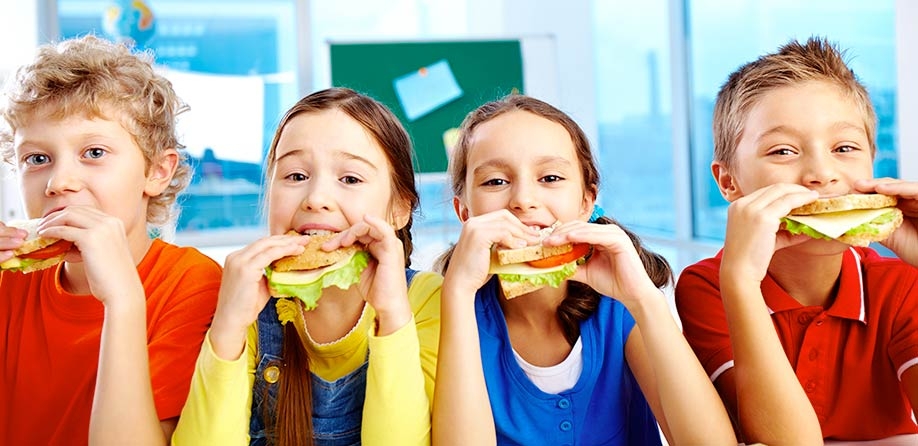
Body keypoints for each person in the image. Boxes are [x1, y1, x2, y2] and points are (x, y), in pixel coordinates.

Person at [432, 94, 735, 445]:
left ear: (586, 202)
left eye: (550, 178)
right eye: (496, 182)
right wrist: (456, 294)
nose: (523, 200)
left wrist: (643, 300)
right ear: (465, 212)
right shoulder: (446, 314)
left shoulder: (618, 308)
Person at [675, 36, 918, 444]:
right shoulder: (713, 286)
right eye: (783, 151)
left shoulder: (900, 283)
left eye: (844, 147)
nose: (821, 173)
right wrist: (740, 282)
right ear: (728, 182)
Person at [172, 87, 441, 446]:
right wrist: (227, 328)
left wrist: (392, 315)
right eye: (296, 176)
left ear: (399, 210)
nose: (315, 199)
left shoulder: (427, 301)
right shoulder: (246, 308)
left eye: (350, 179)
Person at [0, 35, 222, 444]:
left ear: (157, 170)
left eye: (94, 153)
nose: (59, 182)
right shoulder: (9, 281)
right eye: (37, 159)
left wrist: (123, 300)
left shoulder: (192, 284)